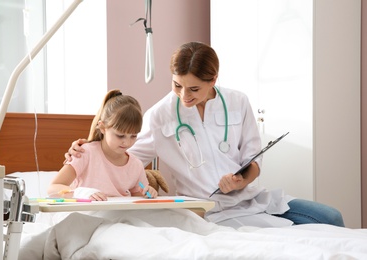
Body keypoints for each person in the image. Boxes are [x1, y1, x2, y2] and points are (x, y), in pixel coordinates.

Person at [65, 42, 344, 228]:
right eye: (177, 86)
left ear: (213, 80)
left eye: (194, 89)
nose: (184, 96)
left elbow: (253, 161)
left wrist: (239, 181)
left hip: (251, 199)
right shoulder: (162, 114)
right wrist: (85, 151)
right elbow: (121, 156)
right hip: (205, 210)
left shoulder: (238, 102)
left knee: (331, 217)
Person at [49, 89, 158, 201]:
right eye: (120, 136)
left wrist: (148, 192)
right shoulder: (84, 153)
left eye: (133, 136)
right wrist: (82, 193)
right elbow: (53, 188)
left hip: (118, 216)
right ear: (102, 128)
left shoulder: (136, 165)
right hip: (86, 213)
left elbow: (137, 198)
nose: (127, 142)